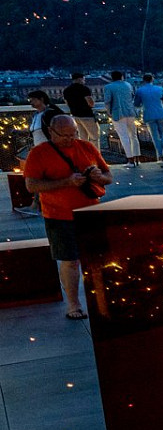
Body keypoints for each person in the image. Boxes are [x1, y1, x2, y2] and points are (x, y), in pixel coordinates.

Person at [20, 115, 112, 319]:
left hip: (90, 212)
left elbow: (108, 176)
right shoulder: (39, 153)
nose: (70, 139)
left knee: (96, 260)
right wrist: (66, 182)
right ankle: (74, 305)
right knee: (70, 260)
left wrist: (99, 177)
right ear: (51, 132)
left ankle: (102, 302)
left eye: (73, 134)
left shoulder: (86, 147)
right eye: (64, 136)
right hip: (58, 215)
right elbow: (31, 185)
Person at [101, 72, 138, 161]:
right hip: (130, 112)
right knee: (133, 136)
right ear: (122, 77)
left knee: (124, 136)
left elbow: (107, 101)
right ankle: (137, 157)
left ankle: (130, 159)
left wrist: (109, 112)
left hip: (118, 113)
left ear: (111, 78)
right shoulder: (128, 85)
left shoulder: (108, 87)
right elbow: (132, 97)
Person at [134, 74, 163, 166]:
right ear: (152, 79)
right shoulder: (160, 88)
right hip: (160, 113)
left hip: (149, 115)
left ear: (143, 80)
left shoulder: (140, 90)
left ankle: (161, 156)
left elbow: (136, 104)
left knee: (155, 136)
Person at [63, 73, 98, 146]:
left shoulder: (66, 90)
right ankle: (95, 152)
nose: (84, 81)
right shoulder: (84, 89)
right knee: (94, 137)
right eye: (84, 79)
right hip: (87, 116)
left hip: (75, 116)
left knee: (82, 138)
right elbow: (91, 103)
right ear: (80, 79)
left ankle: (84, 152)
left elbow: (67, 103)